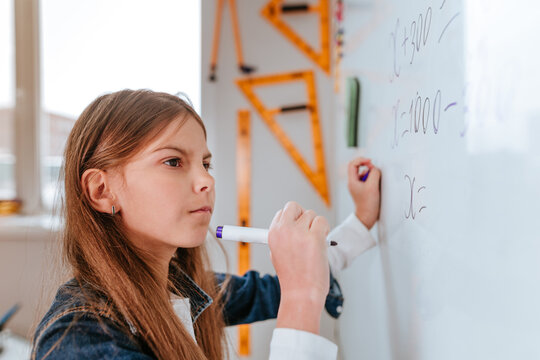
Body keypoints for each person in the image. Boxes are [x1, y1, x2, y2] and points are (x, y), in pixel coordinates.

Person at [31, 89, 381, 360]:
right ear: (101, 190)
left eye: (206, 164)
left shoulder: (177, 289)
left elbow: (300, 272)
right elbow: (299, 284)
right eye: (173, 161)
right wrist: (302, 298)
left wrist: (362, 220)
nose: (206, 182)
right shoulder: (80, 339)